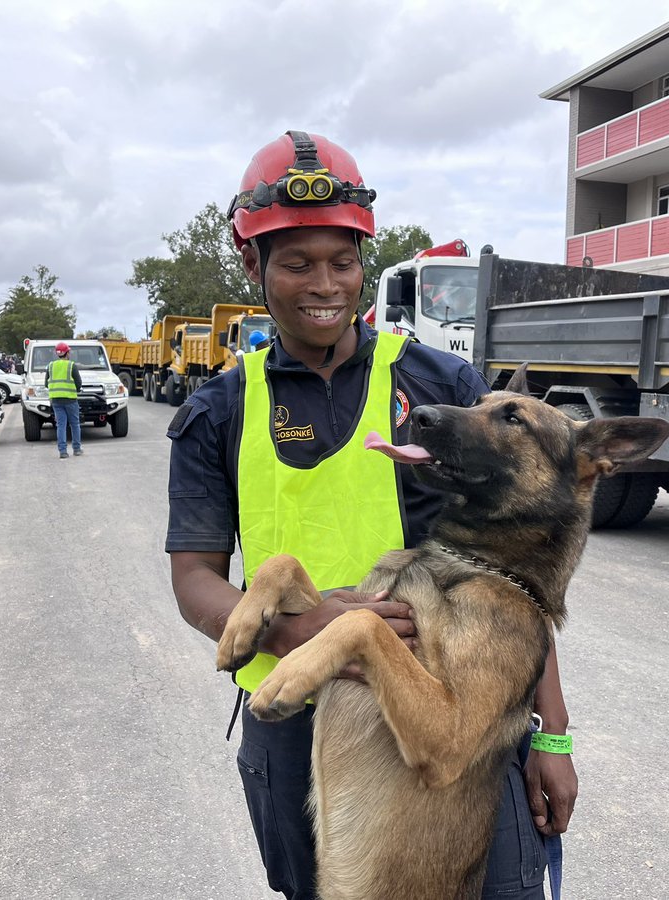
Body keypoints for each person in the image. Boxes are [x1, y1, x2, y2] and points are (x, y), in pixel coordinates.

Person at [166, 131, 577, 899]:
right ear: (253, 267)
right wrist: (295, 628)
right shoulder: (219, 410)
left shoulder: (442, 386)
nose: (325, 283)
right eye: (296, 263)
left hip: (460, 718)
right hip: (297, 727)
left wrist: (551, 732)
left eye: (343, 261)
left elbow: (518, 575)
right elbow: (194, 579)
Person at [46, 341, 82, 459]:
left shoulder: (50, 366)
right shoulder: (71, 365)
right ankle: (76, 449)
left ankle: (63, 452)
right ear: (67, 353)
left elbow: (46, 383)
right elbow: (78, 383)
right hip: (70, 399)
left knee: (61, 425)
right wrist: (75, 389)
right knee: (75, 424)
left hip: (56, 400)